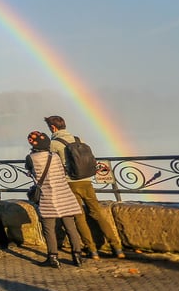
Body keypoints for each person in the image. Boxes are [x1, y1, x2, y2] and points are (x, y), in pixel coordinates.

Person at [45, 115, 125, 259]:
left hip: (70, 183)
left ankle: (92, 250)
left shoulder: (54, 144)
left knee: (79, 216)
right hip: (87, 181)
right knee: (97, 213)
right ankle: (117, 248)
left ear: (53, 127)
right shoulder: (78, 139)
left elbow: (51, 165)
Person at [24, 131, 86, 268]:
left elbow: (29, 169)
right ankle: (77, 256)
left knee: (49, 229)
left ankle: (53, 258)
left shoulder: (31, 158)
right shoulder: (55, 156)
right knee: (71, 228)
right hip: (64, 196)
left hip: (48, 198)